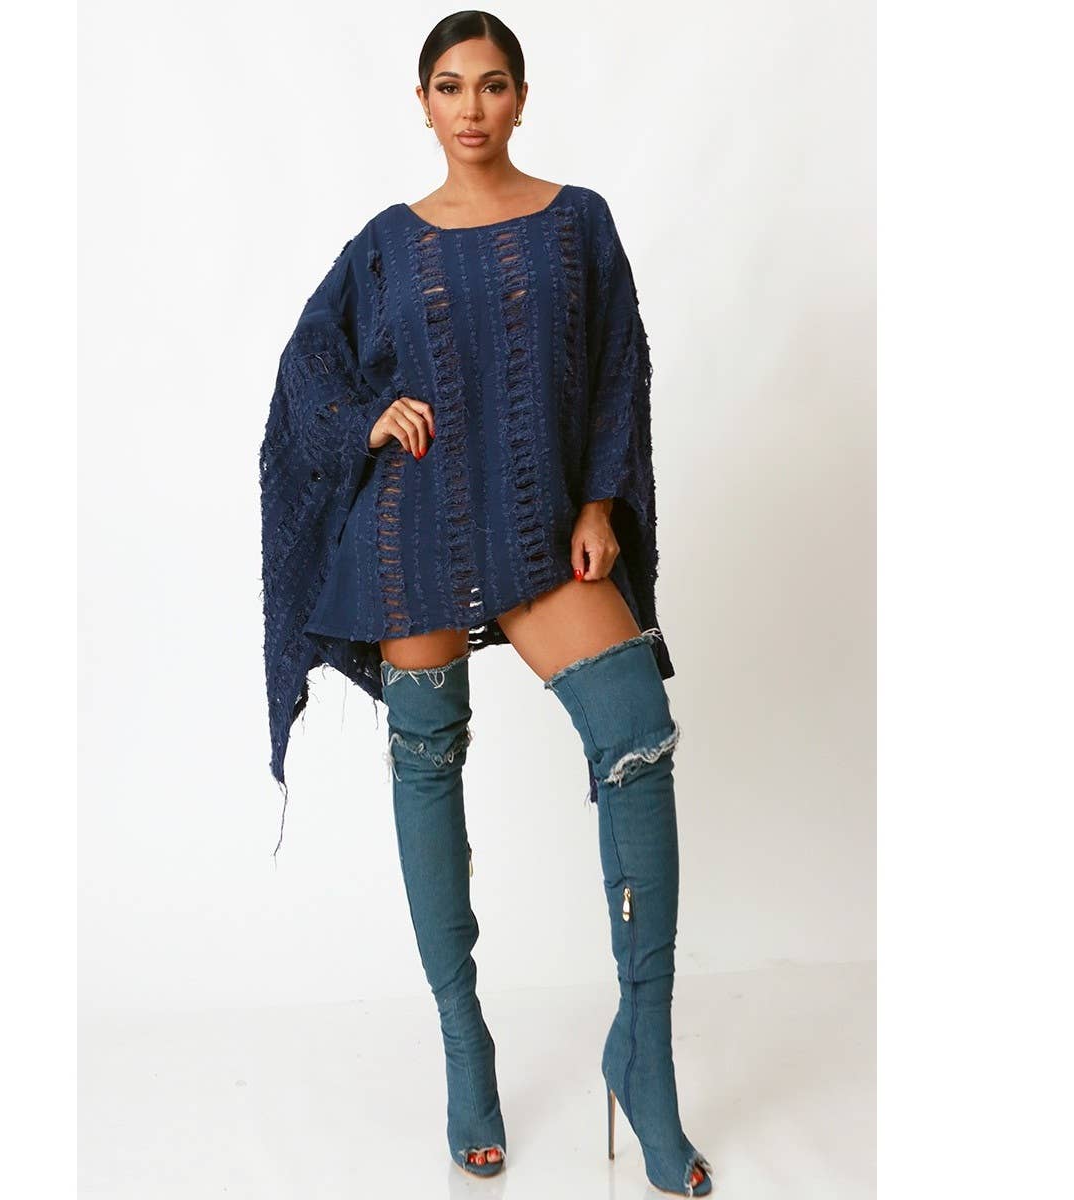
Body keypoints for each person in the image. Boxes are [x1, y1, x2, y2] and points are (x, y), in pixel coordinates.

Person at [258, 10, 714, 1195]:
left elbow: (618, 367)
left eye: (493, 84)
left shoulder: (577, 221)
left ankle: (644, 1057)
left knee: (636, 738)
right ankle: (466, 1050)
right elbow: (308, 366)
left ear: (522, 97)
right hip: (412, 535)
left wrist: (599, 501)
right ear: (422, 103)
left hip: (542, 530)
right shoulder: (385, 245)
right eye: (450, 86)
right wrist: (368, 417)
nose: (472, 107)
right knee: (426, 771)